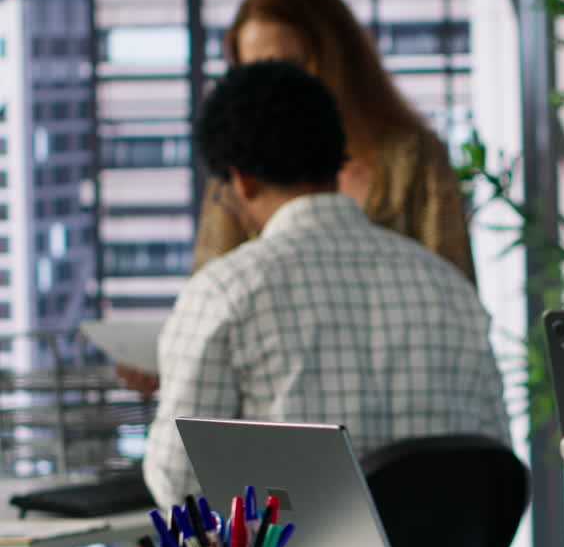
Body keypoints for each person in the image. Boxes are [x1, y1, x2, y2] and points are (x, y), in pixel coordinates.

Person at [141, 59, 509, 511]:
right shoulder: (448, 288)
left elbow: (177, 484)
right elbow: (498, 470)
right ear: (338, 157)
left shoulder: (223, 295)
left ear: (241, 180)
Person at [200, 0, 474, 281]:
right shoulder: (239, 166)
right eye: (255, 72)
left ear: (338, 58)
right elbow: (209, 285)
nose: (274, 90)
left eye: (291, 68)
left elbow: (456, 290)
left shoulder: (414, 158)